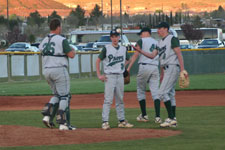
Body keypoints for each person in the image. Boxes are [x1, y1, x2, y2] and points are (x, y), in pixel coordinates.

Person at [132, 22, 186, 127]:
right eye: (157, 29)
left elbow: (179, 53)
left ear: (166, 29)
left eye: (160, 28)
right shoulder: (159, 42)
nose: (158, 31)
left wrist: (182, 70)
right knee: (170, 93)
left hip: (172, 66)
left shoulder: (172, 39)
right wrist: (140, 50)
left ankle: (170, 118)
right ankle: (173, 119)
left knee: (161, 93)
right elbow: (152, 56)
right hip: (166, 69)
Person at [39, 18, 76, 130]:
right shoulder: (61, 39)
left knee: (57, 95)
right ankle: (62, 123)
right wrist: (74, 50)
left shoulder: (44, 40)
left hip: (46, 70)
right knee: (65, 96)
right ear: (58, 27)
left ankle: (47, 116)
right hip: (59, 69)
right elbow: (71, 55)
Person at [96, 29, 134, 130]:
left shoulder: (123, 49)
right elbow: (98, 60)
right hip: (110, 76)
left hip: (120, 76)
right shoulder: (106, 48)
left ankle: (121, 121)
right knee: (108, 100)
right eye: (112, 36)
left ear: (119, 37)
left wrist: (123, 67)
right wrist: (99, 75)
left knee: (120, 99)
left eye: (116, 36)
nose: (114, 38)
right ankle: (105, 122)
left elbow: (129, 59)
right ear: (110, 38)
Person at [127, 27, 161, 123]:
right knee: (155, 92)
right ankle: (157, 117)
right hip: (155, 67)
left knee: (141, 91)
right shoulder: (157, 42)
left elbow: (135, 55)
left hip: (144, 67)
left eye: (141, 33)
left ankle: (144, 115)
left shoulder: (141, 41)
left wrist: (128, 68)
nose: (140, 35)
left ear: (145, 33)